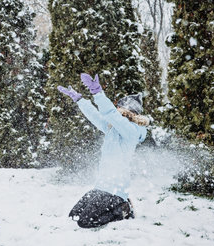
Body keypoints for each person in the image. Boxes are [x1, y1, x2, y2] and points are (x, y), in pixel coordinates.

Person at [58, 73, 149, 228]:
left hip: (114, 191)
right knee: (74, 216)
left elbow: (110, 114)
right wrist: (80, 100)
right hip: (101, 186)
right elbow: (96, 116)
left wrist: (98, 93)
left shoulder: (131, 132)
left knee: (85, 222)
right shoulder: (112, 128)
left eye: (119, 107)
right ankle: (121, 205)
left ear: (128, 111)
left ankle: (122, 209)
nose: (117, 108)